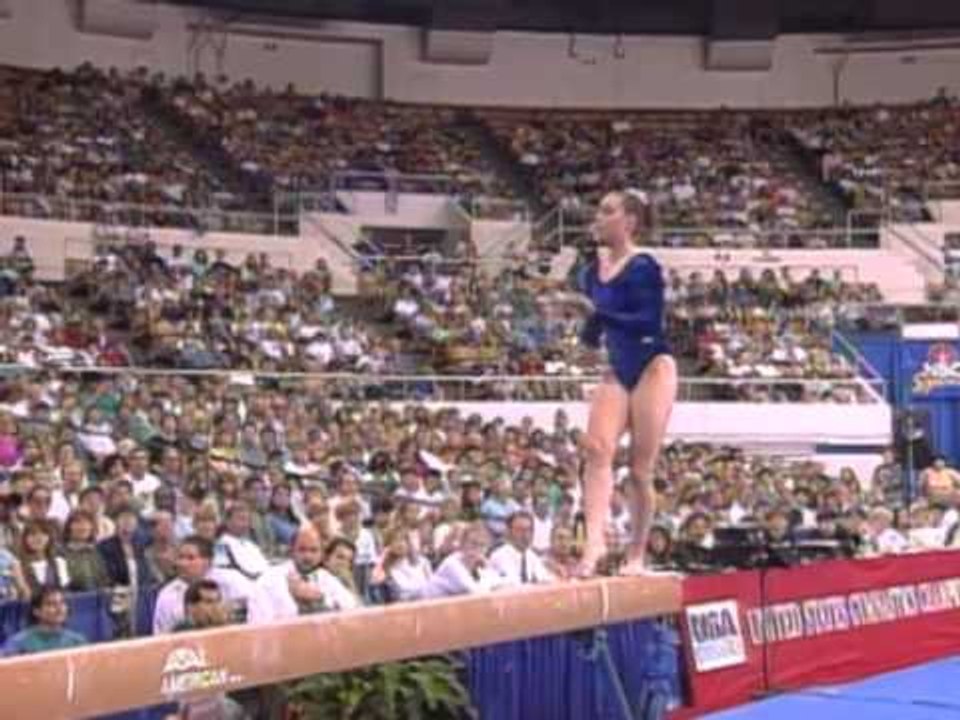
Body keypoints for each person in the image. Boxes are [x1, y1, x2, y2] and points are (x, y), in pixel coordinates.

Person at [564, 189, 678, 576]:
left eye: (607, 211)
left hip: (652, 366)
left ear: (629, 221)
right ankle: (594, 544)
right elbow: (596, 330)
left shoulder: (644, 266)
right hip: (617, 367)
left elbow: (648, 321)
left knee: (639, 469)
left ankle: (636, 553)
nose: (598, 217)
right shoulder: (589, 273)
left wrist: (598, 314)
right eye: (598, 209)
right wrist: (584, 337)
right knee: (596, 450)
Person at [3, 586, 87, 656]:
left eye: (62, 603)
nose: (59, 608)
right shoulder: (19, 643)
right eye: (51, 604)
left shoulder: (77, 641)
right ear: (36, 611)